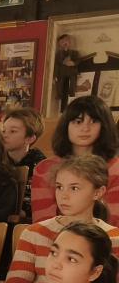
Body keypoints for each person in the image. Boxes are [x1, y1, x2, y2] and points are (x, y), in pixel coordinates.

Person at [4, 155, 119, 283]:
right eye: (59, 187)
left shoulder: (115, 237)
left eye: (74, 188)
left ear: (98, 192)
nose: (63, 196)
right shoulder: (34, 233)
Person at [30, 95, 119, 223]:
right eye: (78, 121)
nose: (85, 128)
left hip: (104, 235)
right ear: (66, 126)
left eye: (93, 121)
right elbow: (43, 222)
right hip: (55, 234)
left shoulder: (115, 168)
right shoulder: (45, 169)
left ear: (104, 126)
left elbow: (114, 223)